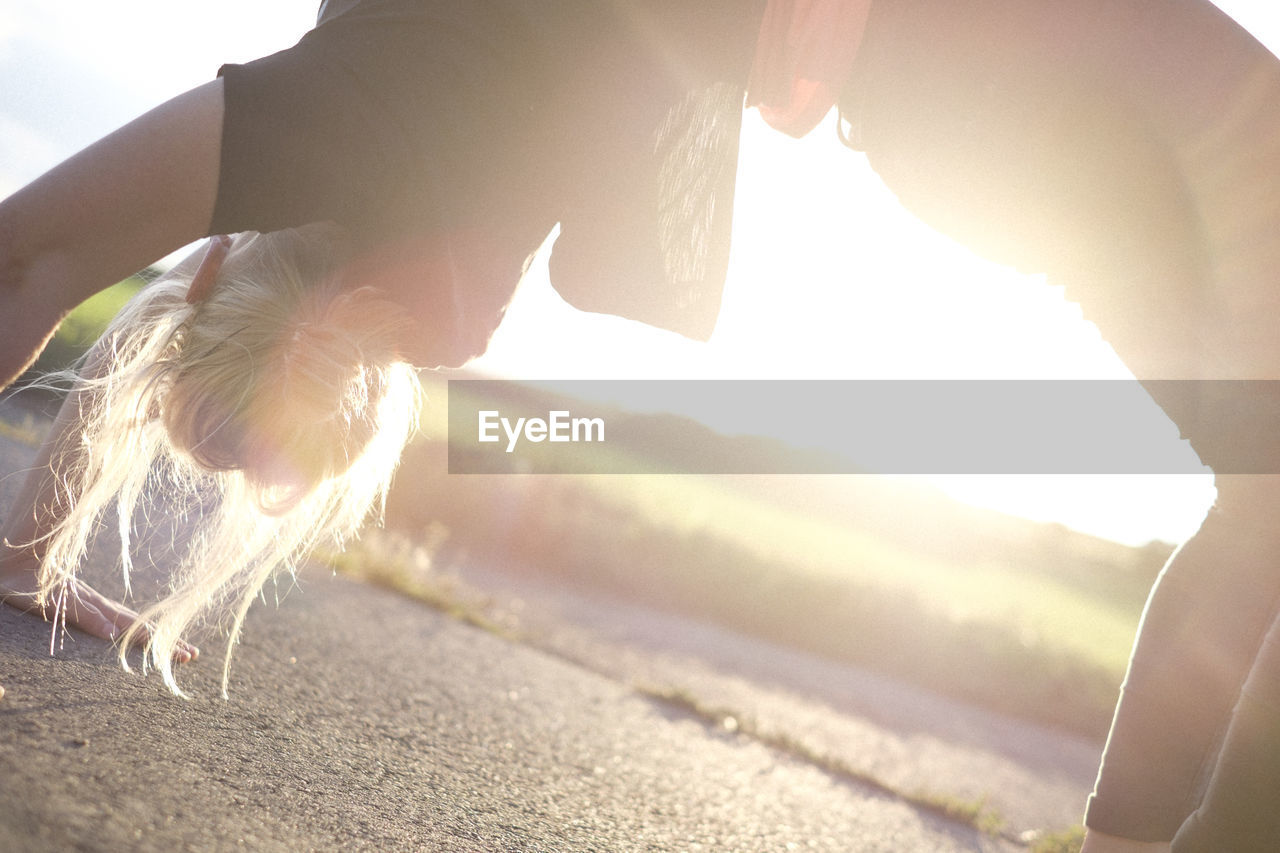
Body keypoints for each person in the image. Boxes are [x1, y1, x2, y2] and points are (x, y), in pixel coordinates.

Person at [0, 0, 1278, 848]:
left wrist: (26, 549)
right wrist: (26, 551)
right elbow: (140, 285)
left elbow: (58, 261)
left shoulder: (357, 123)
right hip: (963, 76)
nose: (460, 341)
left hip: (953, 88)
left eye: (386, 337)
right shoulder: (365, 139)